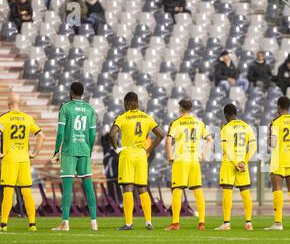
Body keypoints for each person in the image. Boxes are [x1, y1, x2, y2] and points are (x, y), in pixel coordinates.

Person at [110, 92, 164, 230]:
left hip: (127, 153)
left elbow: (112, 134)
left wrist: (116, 148)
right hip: (141, 154)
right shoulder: (146, 117)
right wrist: (149, 150)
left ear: (127, 103)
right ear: (137, 102)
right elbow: (161, 135)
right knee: (142, 188)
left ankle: (129, 223)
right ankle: (148, 222)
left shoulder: (122, 117)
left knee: (127, 187)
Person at [51, 82, 97, 231]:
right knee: (89, 187)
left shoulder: (66, 108)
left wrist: (56, 150)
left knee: (67, 188)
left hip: (69, 151)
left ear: (71, 92)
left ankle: (65, 222)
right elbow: (92, 134)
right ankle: (94, 223)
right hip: (84, 150)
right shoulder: (90, 109)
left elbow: (60, 133)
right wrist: (88, 150)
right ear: (82, 93)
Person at [165, 100, 214, 230]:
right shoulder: (199, 123)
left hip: (181, 159)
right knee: (198, 190)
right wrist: (203, 155)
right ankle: (202, 223)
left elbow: (169, 140)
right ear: (191, 109)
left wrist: (170, 156)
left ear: (180, 109)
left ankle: (175, 223)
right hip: (194, 160)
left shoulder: (176, 122)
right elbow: (210, 139)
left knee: (177, 190)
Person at [0, 93, 45, 232]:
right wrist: (35, 153)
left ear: (8, 102)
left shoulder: (3, 118)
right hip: (24, 158)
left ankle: (3, 224)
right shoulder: (27, 118)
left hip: (10, 158)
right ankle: (32, 224)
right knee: (26, 191)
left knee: (8, 190)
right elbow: (41, 136)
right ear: (20, 102)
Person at [265, 96, 290, 230]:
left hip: (278, 160)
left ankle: (278, 223)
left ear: (278, 106)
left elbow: (273, 143)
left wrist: (268, 137)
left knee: (277, 190)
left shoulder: (275, 122)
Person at [215, 103, 257, 231]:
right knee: (245, 192)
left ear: (226, 115)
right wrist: (244, 162)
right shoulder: (247, 126)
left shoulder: (225, 128)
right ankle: (249, 222)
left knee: (227, 191)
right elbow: (254, 147)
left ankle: (227, 223)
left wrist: (234, 162)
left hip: (229, 163)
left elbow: (224, 147)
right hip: (243, 164)